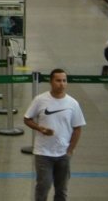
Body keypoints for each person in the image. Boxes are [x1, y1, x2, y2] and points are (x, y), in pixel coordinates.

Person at [23, 69, 86, 201]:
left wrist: (70, 150)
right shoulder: (40, 100)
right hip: (43, 153)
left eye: (64, 80)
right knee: (43, 186)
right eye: (58, 80)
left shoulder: (72, 104)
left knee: (61, 190)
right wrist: (40, 128)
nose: (62, 84)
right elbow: (27, 119)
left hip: (63, 154)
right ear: (51, 82)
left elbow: (77, 128)